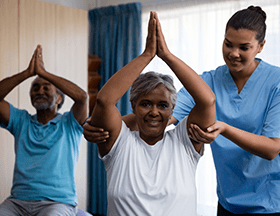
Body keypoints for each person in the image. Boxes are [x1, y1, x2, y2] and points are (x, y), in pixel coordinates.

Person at [85, 5, 280, 215]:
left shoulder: (275, 82)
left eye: (244, 47)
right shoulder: (210, 80)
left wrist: (167, 55)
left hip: (267, 200)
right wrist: (102, 126)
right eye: (228, 44)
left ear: (261, 46)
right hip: (228, 199)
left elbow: (271, 149)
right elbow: (164, 116)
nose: (233, 53)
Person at [83, 11, 215, 216]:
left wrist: (167, 56)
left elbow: (207, 101)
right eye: (145, 104)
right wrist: (146, 56)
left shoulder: (184, 141)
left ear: (172, 109)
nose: (154, 112)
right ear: (133, 105)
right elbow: (104, 100)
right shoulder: (119, 143)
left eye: (162, 105)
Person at [0, 45, 88, 216]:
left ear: (60, 98)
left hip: (57, 202)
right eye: (35, 88)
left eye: (46, 87)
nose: (40, 91)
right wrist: (28, 73)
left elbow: (82, 97)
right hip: (17, 202)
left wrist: (44, 73)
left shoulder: (69, 123)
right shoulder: (21, 121)